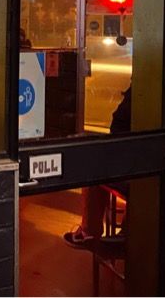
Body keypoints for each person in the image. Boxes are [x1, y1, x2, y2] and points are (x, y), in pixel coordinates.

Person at [64, 86, 131, 248]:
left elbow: (119, 125)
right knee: (96, 162)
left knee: (93, 167)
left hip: (137, 170)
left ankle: (91, 233)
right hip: (138, 162)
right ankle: (120, 233)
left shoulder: (143, 93)